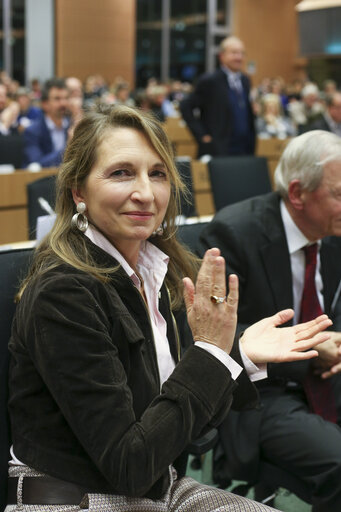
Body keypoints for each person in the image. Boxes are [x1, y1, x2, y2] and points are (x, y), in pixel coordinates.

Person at [6, 106, 331, 512]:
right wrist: (214, 354)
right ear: (77, 190)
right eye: (121, 173)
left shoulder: (155, 271)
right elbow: (131, 463)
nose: (146, 193)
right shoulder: (63, 293)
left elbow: (183, 432)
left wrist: (238, 357)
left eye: (157, 173)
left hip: (158, 487)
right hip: (77, 497)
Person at [197, 130, 341, 512]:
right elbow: (211, 338)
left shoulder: (333, 232)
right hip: (263, 393)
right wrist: (310, 349)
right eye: (339, 194)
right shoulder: (234, 233)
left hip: (328, 379)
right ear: (297, 194)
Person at [180, 36, 255, 157]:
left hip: (244, 149)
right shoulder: (210, 80)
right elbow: (186, 107)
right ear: (222, 56)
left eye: (242, 53)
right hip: (220, 150)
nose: (239, 57)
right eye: (234, 53)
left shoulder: (245, 80)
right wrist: (202, 136)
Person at [23, 78, 70, 168]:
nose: (63, 103)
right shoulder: (32, 131)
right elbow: (36, 165)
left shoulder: (72, 126)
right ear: (45, 104)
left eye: (66, 98)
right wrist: (68, 148)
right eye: (57, 99)